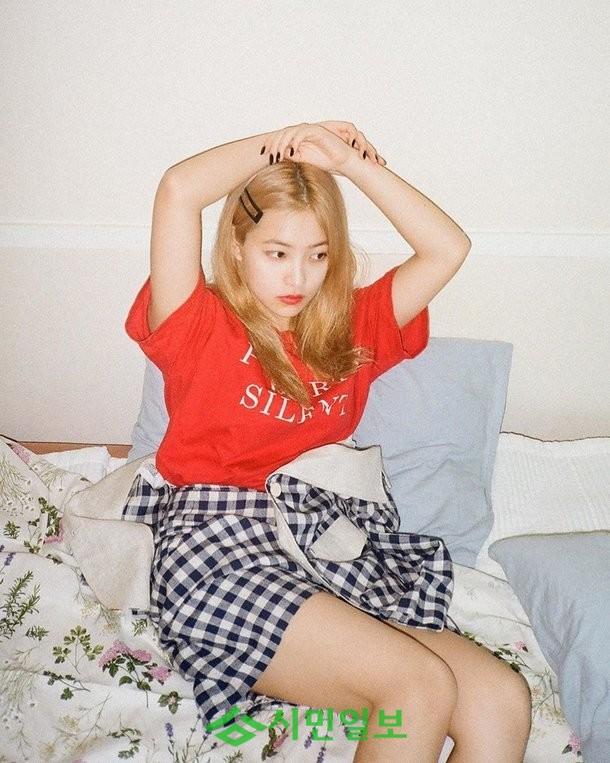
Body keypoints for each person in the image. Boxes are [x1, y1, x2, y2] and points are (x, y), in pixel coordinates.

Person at [123, 121, 532, 762]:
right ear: (237, 246)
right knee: (417, 686)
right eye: (277, 252)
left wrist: (352, 165)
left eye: (318, 255)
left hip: (316, 545)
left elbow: (447, 249)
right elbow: (178, 189)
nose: (299, 276)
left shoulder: (352, 328)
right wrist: (289, 140)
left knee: (500, 698)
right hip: (216, 543)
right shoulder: (198, 323)